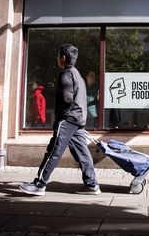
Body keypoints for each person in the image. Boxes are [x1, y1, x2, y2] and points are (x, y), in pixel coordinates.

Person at [19, 44, 101, 196]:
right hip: (78, 120)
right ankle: (92, 184)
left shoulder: (66, 73)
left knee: (53, 151)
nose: (58, 59)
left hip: (68, 119)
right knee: (83, 153)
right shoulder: (78, 75)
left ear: (63, 58)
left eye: (59, 56)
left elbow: (67, 98)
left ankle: (39, 184)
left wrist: (61, 119)